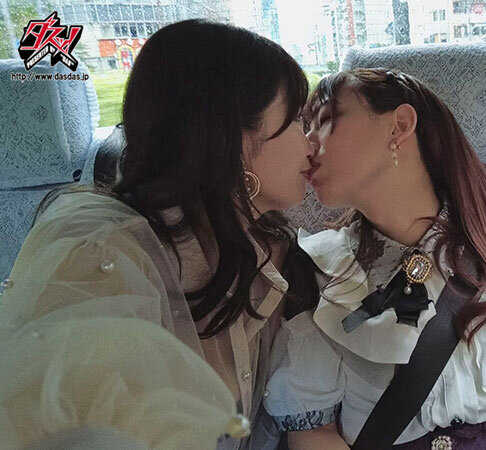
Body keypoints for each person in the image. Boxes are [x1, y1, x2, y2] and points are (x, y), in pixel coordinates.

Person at [0, 20, 313, 449]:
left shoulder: (258, 244)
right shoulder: (102, 257)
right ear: (233, 139)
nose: (311, 142)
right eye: (297, 119)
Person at [264, 68, 486, 449]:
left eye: (326, 120)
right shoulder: (320, 272)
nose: (308, 143)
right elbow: (314, 432)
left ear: (399, 127)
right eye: (305, 126)